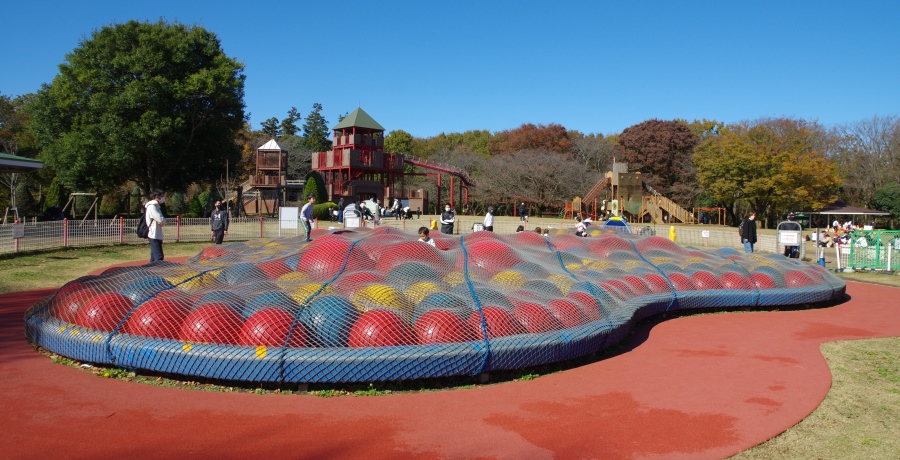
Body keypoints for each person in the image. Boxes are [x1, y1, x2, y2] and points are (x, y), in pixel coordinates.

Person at [145, 189, 166, 262]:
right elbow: (160, 220)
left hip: (157, 234)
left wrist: (163, 221)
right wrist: (163, 221)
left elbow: (161, 220)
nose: (163, 198)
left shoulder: (156, 206)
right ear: (157, 196)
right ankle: (157, 271)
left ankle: (152, 270)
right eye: (162, 196)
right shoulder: (152, 207)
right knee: (159, 256)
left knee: (154, 256)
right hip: (154, 234)